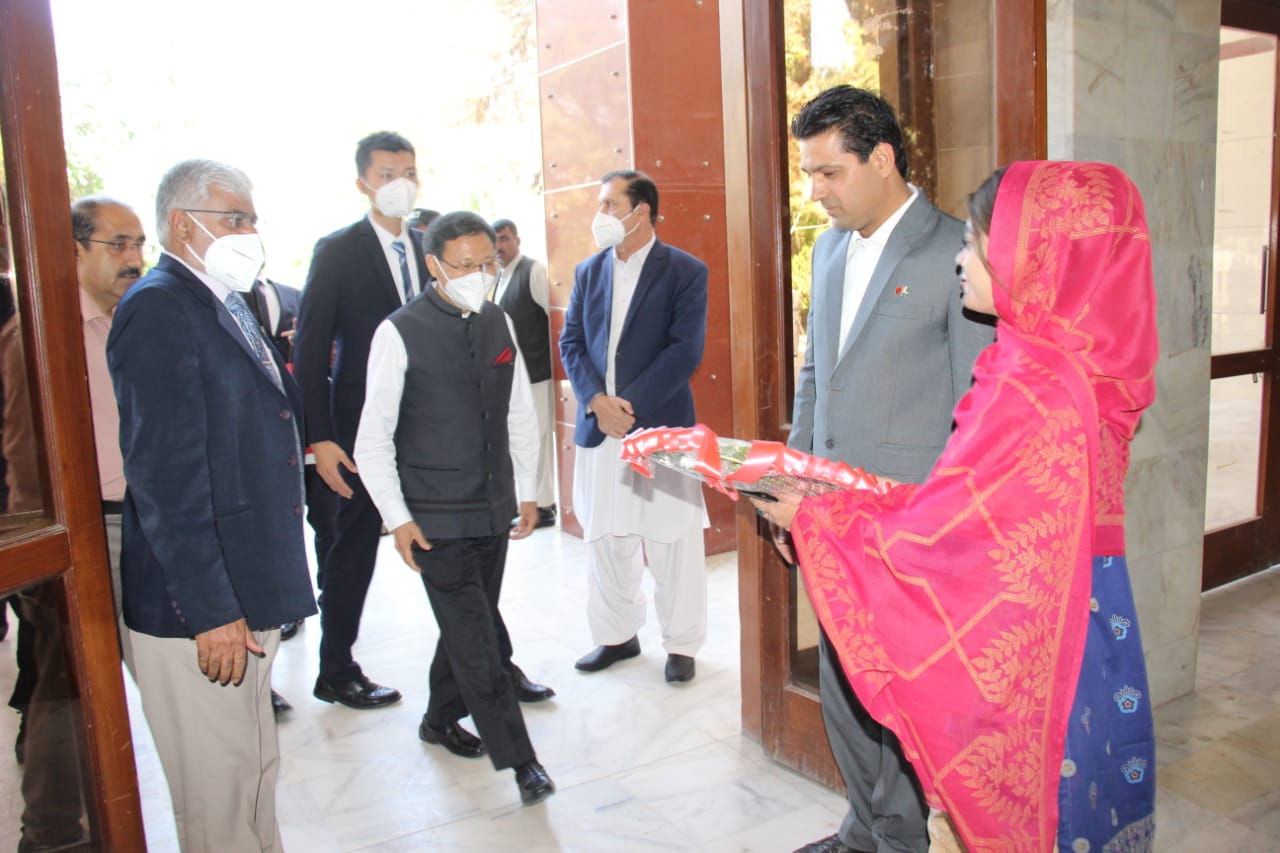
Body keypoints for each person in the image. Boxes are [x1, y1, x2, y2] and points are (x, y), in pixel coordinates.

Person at [757, 160, 1158, 852]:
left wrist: (814, 518)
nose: (960, 258)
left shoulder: (1031, 392)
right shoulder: (1076, 369)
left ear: (1033, 255)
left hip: (1035, 654)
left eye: (974, 243)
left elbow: (949, 547)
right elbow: (974, 510)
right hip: (1080, 622)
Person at [783, 85, 994, 853]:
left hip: (912, 529)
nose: (816, 191)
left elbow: (975, 408)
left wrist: (949, 532)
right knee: (843, 683)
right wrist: (796, 477)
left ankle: (901, 840)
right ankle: (861, 830)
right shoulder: (828, 249)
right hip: (830, 519)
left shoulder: (956, 253)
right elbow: (817, 373)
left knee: (901, 698)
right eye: (809, 173)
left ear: (881, 158)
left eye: (829, 172)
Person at [107, 158, 317, 852]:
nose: (249, 232)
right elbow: (165, 478)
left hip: (251, 587)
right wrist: (210, 609)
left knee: (252, 769)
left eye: (252, 218)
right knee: (216, 796)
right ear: (181, 224)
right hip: (201, 610)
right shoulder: (159, 307)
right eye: (234, 218)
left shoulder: (227, 300)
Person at [353, 211, 556, 806]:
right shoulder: (398, 332)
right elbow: (372, 439)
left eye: (487, 263)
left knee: (471, 619)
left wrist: (528, 492)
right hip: (434, 515)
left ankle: (439, 718)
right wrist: (397, 517)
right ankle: (520, 760)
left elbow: (520, 413)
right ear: (434, 265)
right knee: (475, 637)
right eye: (464, 265)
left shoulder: (499, 320)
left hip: (493, 505)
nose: (478, 275)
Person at [14, 196, 144, 852]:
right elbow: (22, 456)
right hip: (82, 535)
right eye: (118, 244)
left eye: (139, 244)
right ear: (71, 250)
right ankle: (53, 836)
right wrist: (50, 563)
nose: (135, 258)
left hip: (141, 524)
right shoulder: (41, 333)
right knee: (67, 694)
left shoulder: (133, 321)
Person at [292, 131, 426, 710]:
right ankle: (336, 667)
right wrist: (319, 437)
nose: (400, 184)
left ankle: (489, 658)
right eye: (387, 174)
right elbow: (309, 349)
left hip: (428, 423)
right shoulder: (338, 250)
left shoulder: (431, 246)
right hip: (357, 427)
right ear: (363, 183)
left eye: (409, 172)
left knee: (454, 541)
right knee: (352, 549)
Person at [559, 170, 709, 684]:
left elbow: (684, 351)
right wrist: (596, 402)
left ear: (641, 210)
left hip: (661, 425)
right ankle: (616, 636)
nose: (600, 215)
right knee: (606, 535)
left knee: (673, 539)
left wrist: (629, 406)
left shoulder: (685, 271)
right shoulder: (588, 271)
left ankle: (682, 644)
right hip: (600, 427)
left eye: (609, 204)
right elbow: (571, 342)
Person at [491, 217, 557, 529]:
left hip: (537, 373)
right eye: (494, 240)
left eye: (504, 238)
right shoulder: (498, 277)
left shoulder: (533, 271)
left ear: (517, 240)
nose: (499, 246)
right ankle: (529, 501)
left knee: (538, 439)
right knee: (522, 440)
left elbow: (555, 319)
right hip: (512, 377)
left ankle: (544, 506)